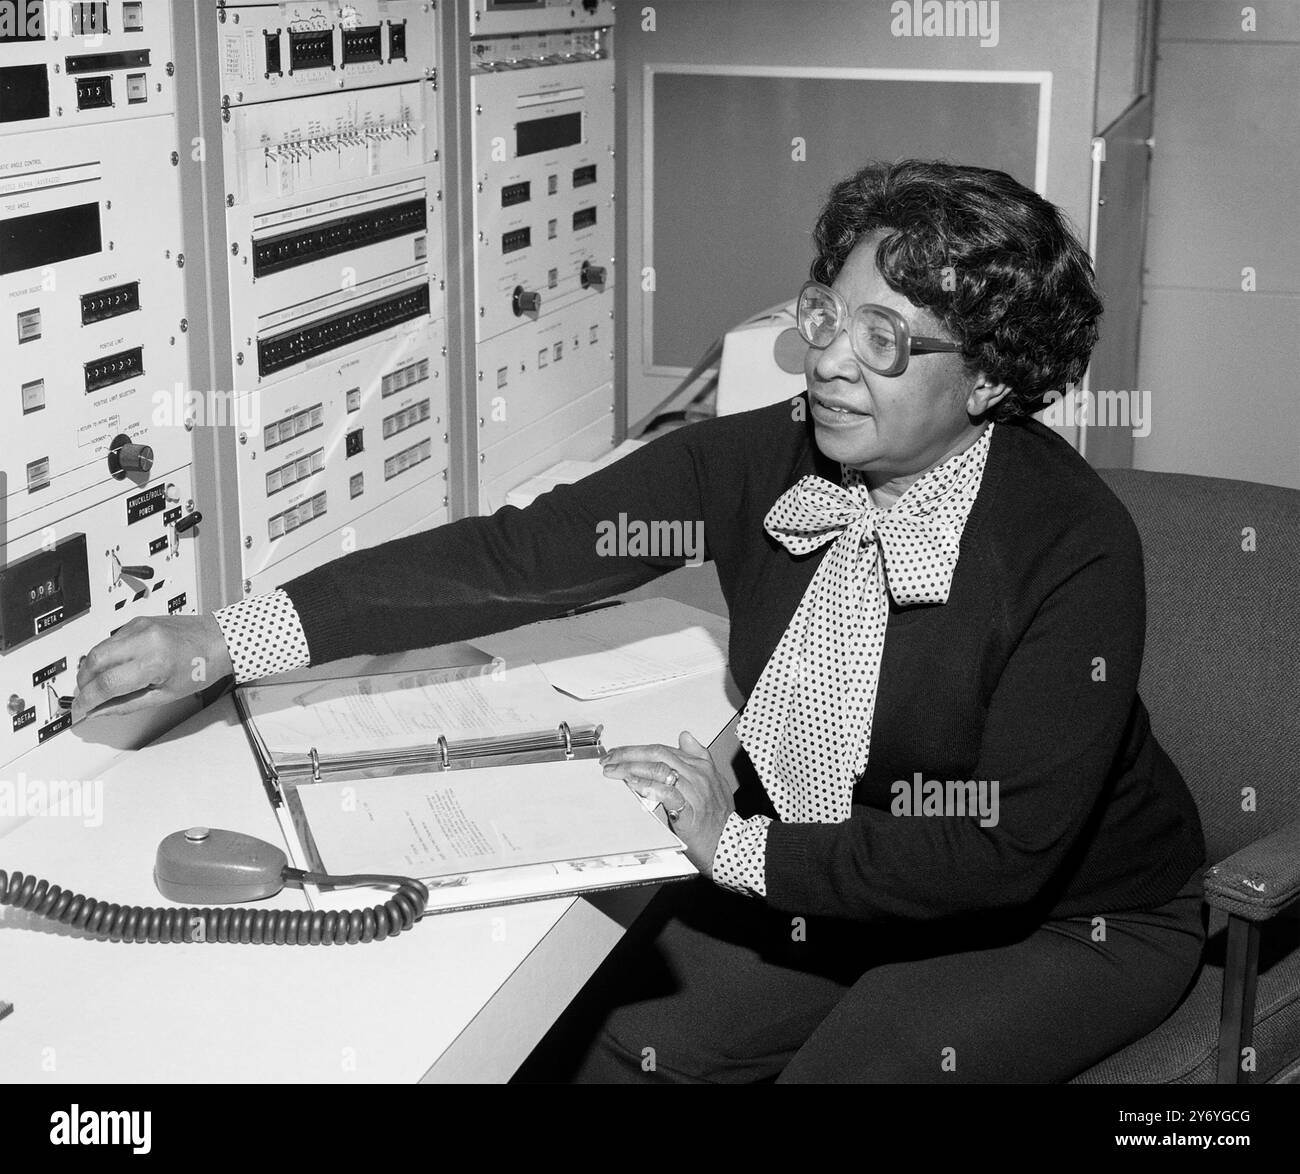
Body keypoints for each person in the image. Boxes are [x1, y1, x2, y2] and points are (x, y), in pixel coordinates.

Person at [73, 159, 1207, 1083]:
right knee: (626, 1035)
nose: (823, 358)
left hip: (1067, 917)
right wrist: (225, 635)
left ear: (994, 381)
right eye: (827, 312)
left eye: (885, 338)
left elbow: (1000, 847)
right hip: (847, 870)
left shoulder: (1072, 544)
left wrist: (740, 846)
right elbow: (512, 559)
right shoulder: (764, 459)